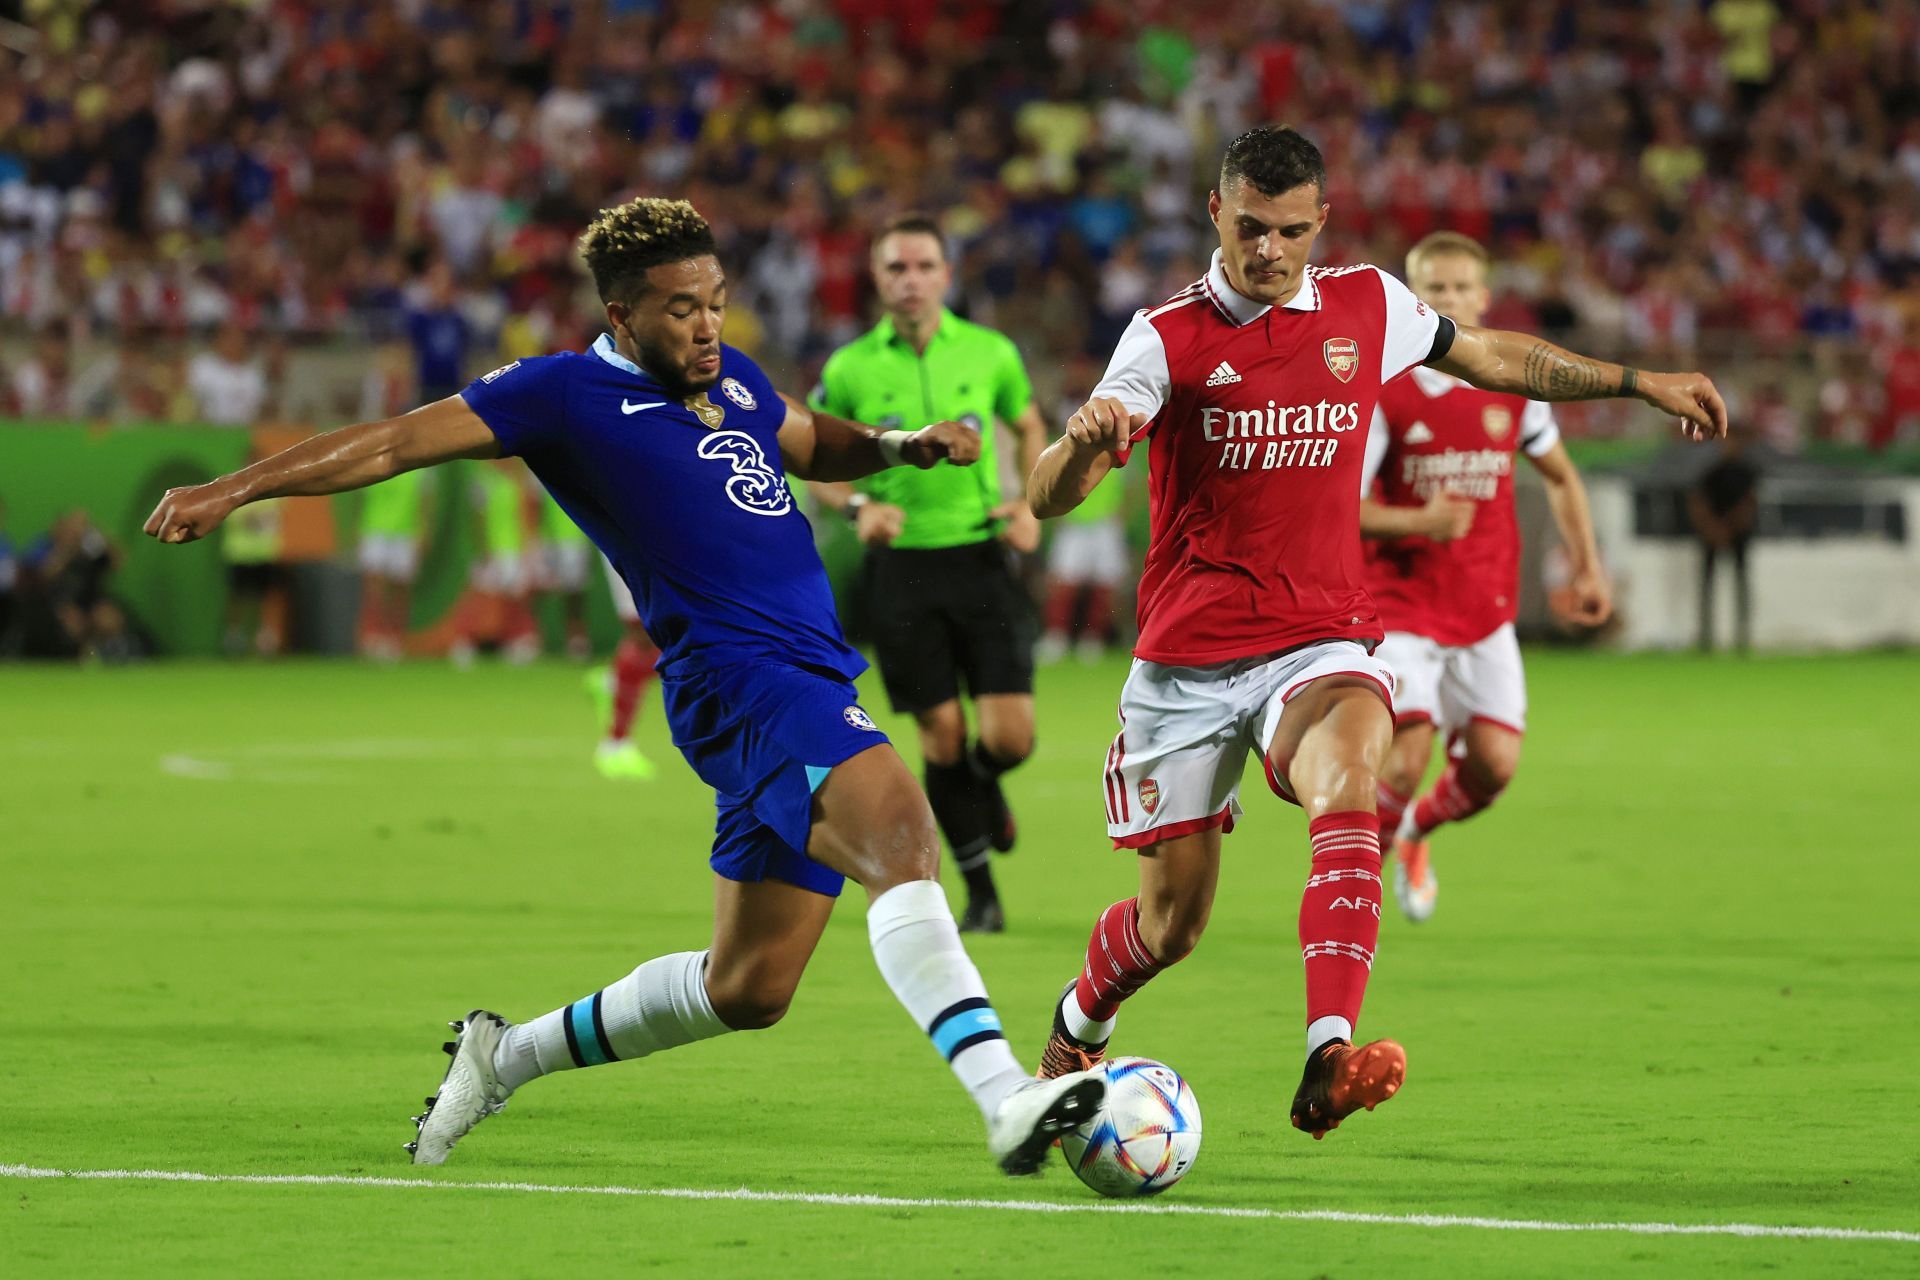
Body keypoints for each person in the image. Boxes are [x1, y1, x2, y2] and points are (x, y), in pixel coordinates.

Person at [144, 195, 1104, 1173]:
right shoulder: (560, 394)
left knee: (752, 985)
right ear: (621, 317)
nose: (707, 324)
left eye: (717, 301)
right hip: (740, 679)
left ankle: (504, 1053)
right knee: (901, 826)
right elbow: (393, 442)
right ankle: (1005, 1097)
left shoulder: (730, 380)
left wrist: (901, 446)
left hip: (806, 667)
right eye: (681, 308)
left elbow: (810, 438)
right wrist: (235, 488)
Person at [1026, 127, 1725, 1140]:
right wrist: (1079, 450)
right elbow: (1055, 496)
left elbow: (1492, 356)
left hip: (1320, 637)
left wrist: (1635, 380)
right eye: (1253, 229)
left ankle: (1327, 1054)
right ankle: (1074, 1027)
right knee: (1171, 924)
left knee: (1355, 774)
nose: (1271, 252)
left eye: (1292, 232)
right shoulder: (1165, 337)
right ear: (1216, 215)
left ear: (1322, 223)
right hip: (1187, 659)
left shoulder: (1370, 304)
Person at [1359, 231, 1615, 924]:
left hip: (1483, 609)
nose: (1448, 299)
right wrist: (1418, 523)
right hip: (1401, 608)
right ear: (1414, 299)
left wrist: (1589, 566)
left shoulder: (1512, 382)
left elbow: (1561, 476)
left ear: (1483, 296)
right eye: (1433, 289)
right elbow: (1341, 512)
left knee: (1494, 767)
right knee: (1404, 762)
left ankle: (1415, 832)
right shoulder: (1387, 391)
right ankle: (1355, 901)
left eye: (1460, 288)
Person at [807, 213, 1050, 935]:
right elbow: (815, 456)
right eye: (895, 269)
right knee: (940, 734)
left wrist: (1030, 501)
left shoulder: (991, 352)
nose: (910, 281)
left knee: (1010, 738)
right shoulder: (850, 368)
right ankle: (980, 892)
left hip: (980, 556)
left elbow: (1031, 423)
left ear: (946, 276)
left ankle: (978, 793)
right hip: (902, 572)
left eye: (922, 267)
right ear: (877, 281)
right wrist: (856, 507)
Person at [586, 553, 661, 781]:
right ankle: (615, 744)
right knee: (646, 635)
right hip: (630, 539)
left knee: (658, 636)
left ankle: (613, 681)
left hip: (667, 540)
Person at [1688, 430, 1761, 652]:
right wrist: (1713, 528)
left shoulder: (1746, 472)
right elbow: (1698, 501)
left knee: (1740, 585)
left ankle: (1742, 636)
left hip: (1737, 532)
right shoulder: (1712, 472)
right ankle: (1706, 636)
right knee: (1708, 586)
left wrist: (1728, 527)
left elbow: (1750, 504)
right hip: (1714, 532)